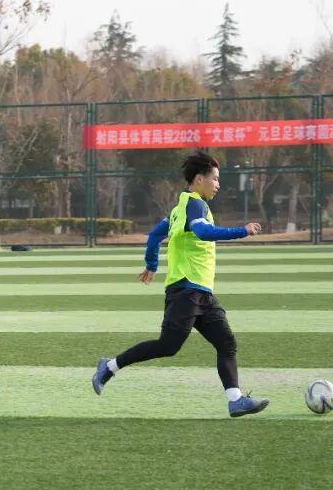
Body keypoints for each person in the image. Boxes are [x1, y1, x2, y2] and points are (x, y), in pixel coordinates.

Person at [91, 152, 269, 417]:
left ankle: (236, 400)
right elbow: (203, 232)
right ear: (199, 179)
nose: (218, 184)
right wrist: (242, 231)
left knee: (227, 343)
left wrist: (152, 265)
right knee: (168, 346)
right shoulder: (195, 205)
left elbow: (154, 236)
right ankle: (109, 367)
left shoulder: (178, 210)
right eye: (215, 179)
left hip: (200, 291)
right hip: (186, 290)